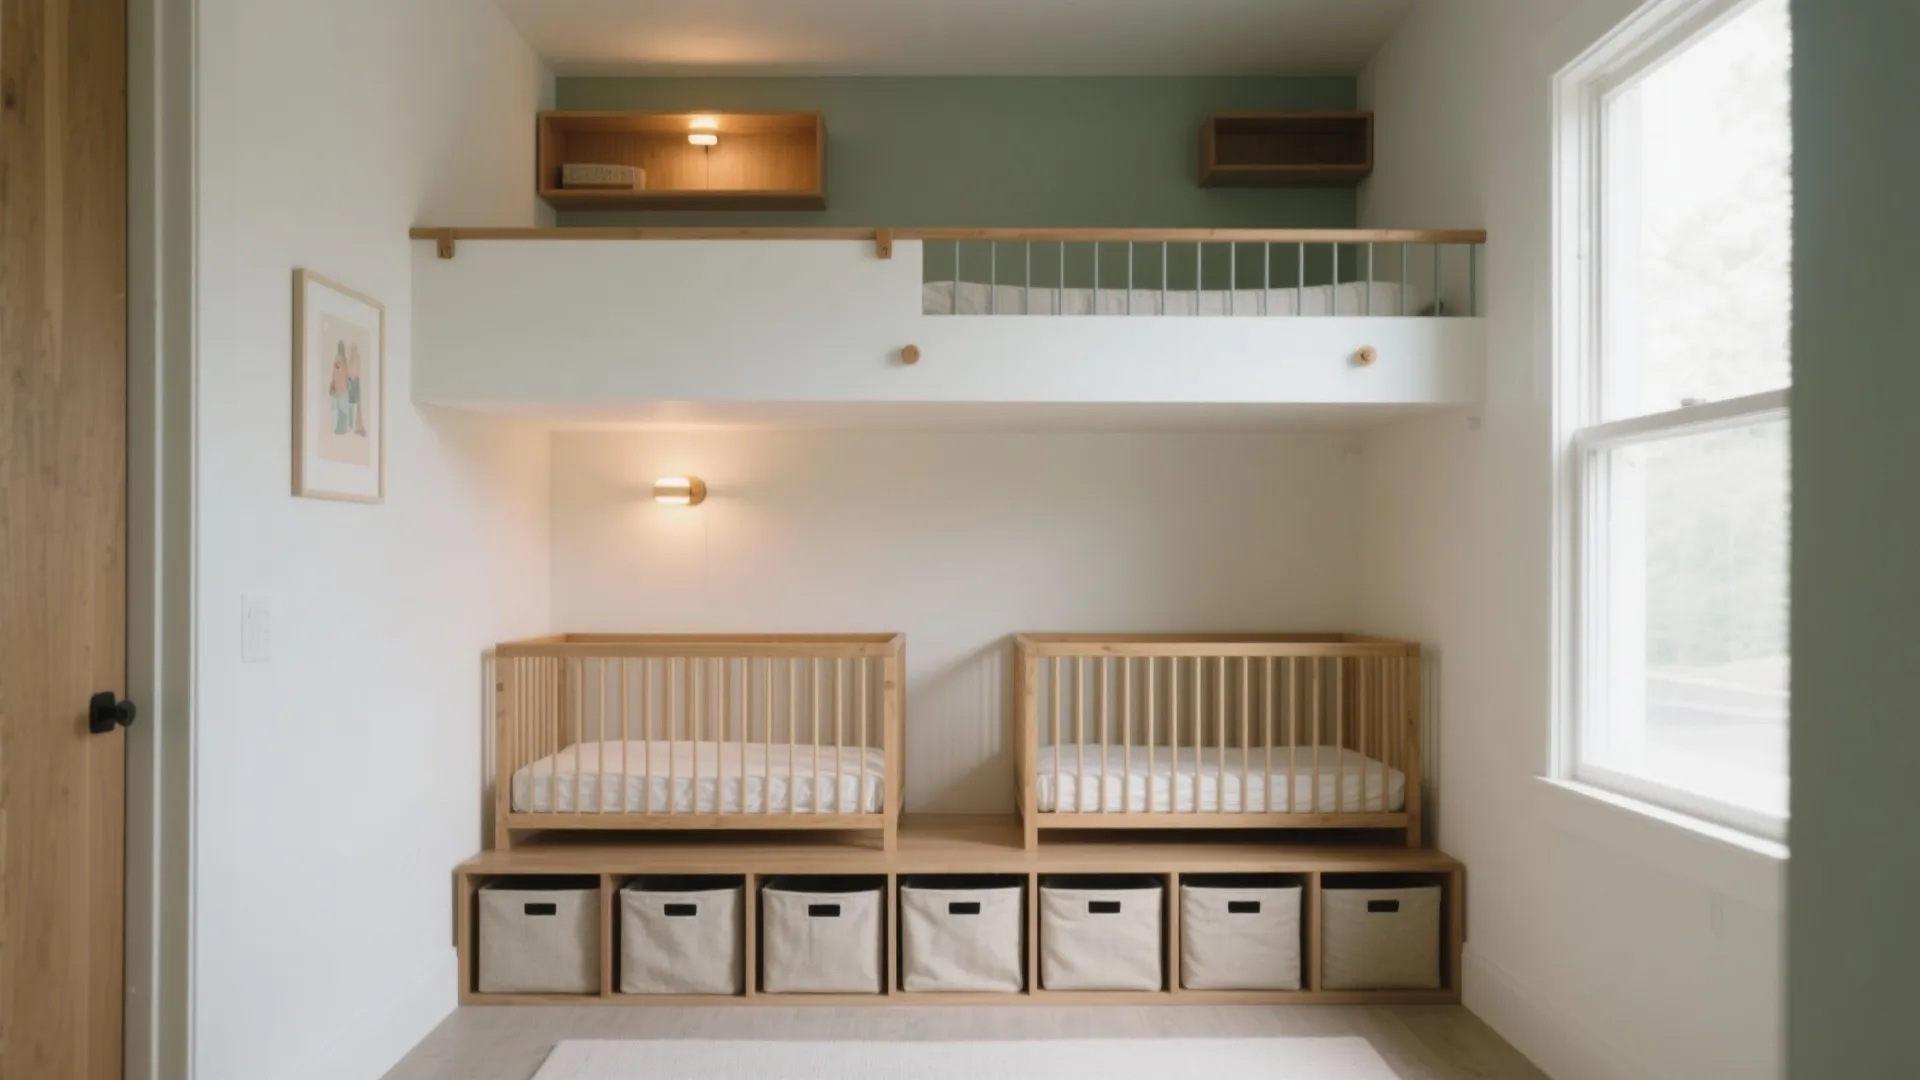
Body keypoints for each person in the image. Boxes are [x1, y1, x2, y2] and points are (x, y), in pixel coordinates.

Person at [329, 342, 351, 435]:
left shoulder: (338, 359)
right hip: (343, 387)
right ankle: (342, 428)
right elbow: (346, 373)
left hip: (339, 387)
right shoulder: (344, 359)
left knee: (340, 408)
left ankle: (340, 428)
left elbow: (335, 372)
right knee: (342, 407)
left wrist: (333, 382)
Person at [348, 343, 366, 436]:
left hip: (354, 382)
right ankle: (353, 425)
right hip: (352, 381)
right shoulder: (352, 359)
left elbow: (354, 371)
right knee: (352, 404)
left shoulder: (355, 359)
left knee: (356, 404)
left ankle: (358, 426)